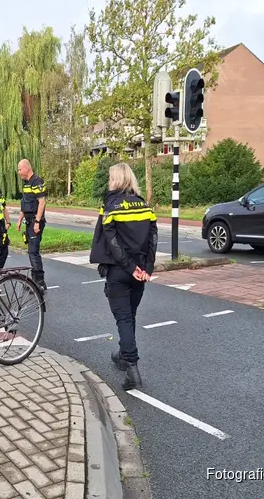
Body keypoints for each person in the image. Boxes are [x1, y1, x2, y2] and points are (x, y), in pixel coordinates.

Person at [89, 163, 157, 390]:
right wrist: (146, 267)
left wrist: (128, 267)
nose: (109, 182)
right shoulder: (144, 206)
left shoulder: (111, 206)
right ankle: (122, 352)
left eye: (110, 178)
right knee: (130, 315)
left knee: (124, 319)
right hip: (139, 271)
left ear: (117, 180)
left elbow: (111, 242)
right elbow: (153, 239)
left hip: (121, 271)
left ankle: (132, 369)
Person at [16, 159, 47, 291]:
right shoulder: (26, 184)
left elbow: (42, 202)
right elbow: (26, 203)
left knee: (33, 252)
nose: (19, 172)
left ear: (26, 168)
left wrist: (37, 222)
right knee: (31, 252)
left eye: (19, 169)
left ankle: (39, 282)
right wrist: (19, 220)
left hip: (35, 222)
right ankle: (35, 281)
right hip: (28, 222)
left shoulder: (37, 182)